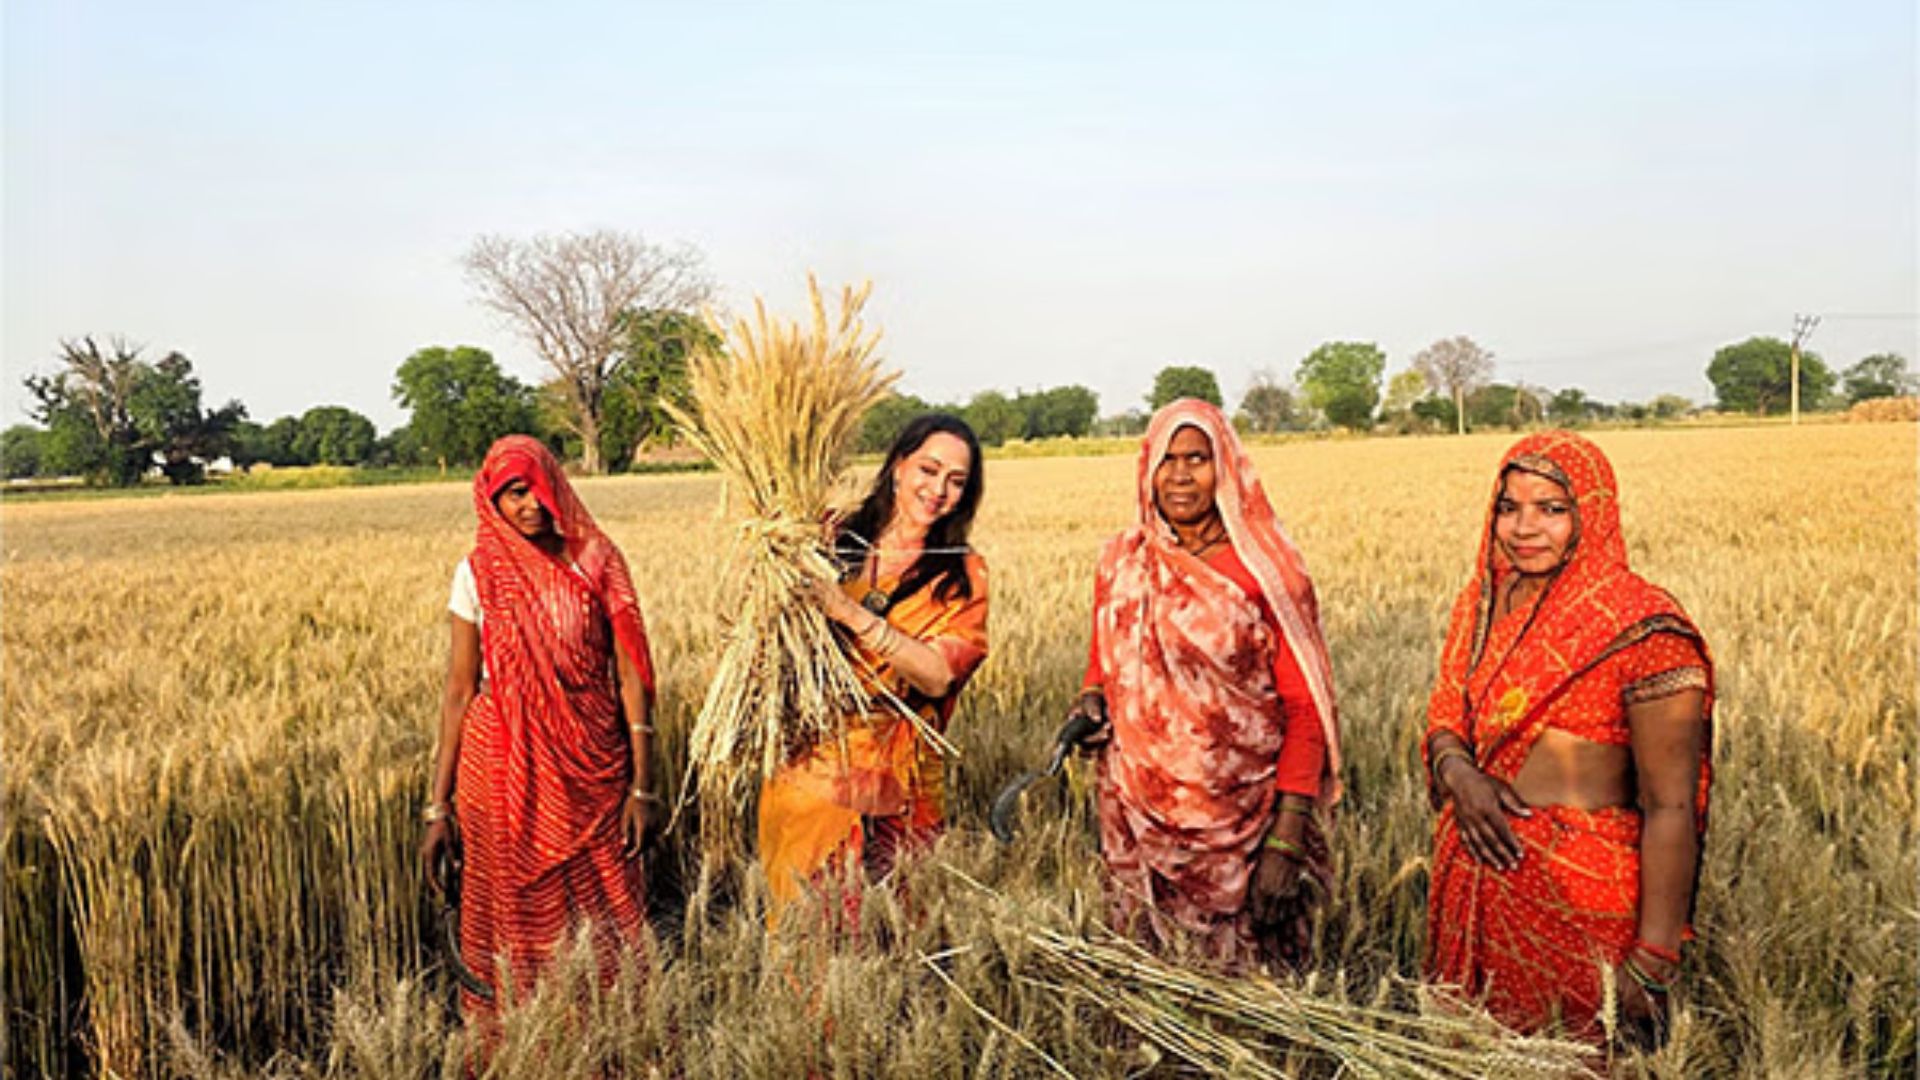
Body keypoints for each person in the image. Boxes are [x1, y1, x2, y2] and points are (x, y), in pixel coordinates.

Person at [1423, 431, 1713, 1045]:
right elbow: (1447, 712)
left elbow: (1671, 805)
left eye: (1552, 508)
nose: (1524, 527)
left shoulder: (1642, 630)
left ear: (1593, 512)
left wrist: (1654, 960)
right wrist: (1461, 775)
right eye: (1509, 506)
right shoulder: (1480, 604)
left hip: (1579, 903)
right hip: (1471, 887)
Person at [1066, 398, 1341, 972]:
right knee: (1147, 984)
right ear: (1146, 467)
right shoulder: (1124, 560)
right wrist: (1092, 700)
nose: (1180, 475)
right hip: (1136, 812)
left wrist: (1287, 838)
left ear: (1227, 467)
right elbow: (1103, 660)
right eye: (1166, 459)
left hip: (1241, 823)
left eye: (1197, 458)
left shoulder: (1268, 570)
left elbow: (1305, 709)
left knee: (1246, 1002)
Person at [419, 435, 658, 1018]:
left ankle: (614, 1042)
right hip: (500, 770)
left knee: (610, 912)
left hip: (593, 765)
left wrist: (644, 788)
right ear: (490, 500)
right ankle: (520, 1044)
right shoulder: (476, 573)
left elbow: (634, 678)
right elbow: (458, 690)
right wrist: (437, 809)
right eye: (512, 493)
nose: (529, 505)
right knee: (510, 919)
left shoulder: (597, 559)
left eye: (536, 488)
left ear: (557, 483)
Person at [757, 414, 989, 914]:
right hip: (811, 764)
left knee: (901, 930)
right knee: (809, 927)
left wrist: (847, 611)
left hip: (902, 776)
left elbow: (938, 672)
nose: (938, 490)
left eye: (956, 481)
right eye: (928, 470)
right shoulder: (828, 535)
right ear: (899, 466)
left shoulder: (962, 573)